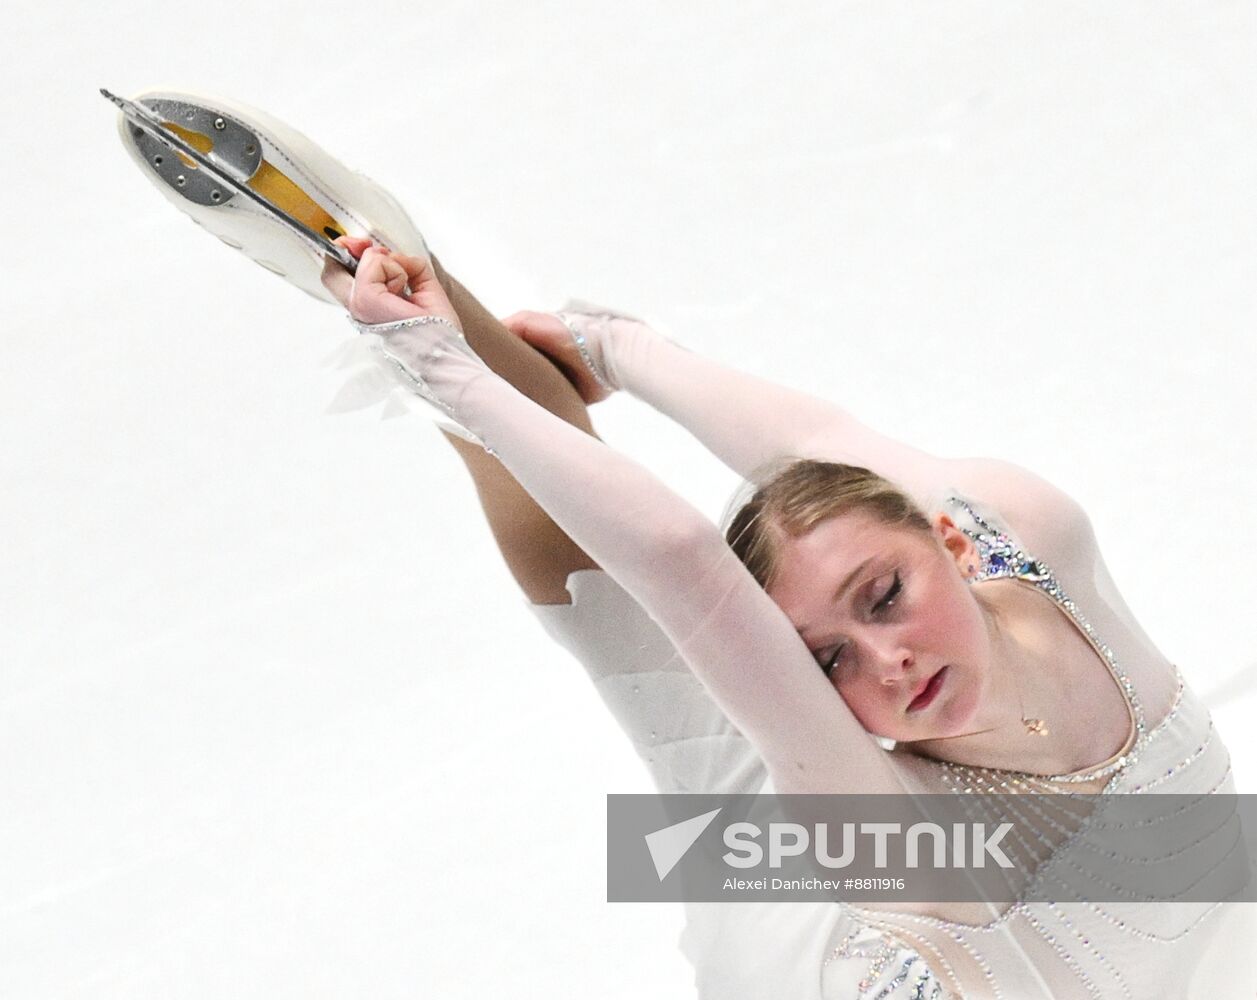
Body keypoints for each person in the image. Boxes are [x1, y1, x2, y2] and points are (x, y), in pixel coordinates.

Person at [113, 91, 1251, 998]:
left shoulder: (1026, 533)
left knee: (677, 647)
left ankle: (444, 358)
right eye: (828, 654)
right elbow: (682, 569)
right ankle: (426, 342)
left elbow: (820, 445)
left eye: (886, 593)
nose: (887, 661)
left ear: (949, 539)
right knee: (642, 629)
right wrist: (444, 364)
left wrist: (621, 349)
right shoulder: (878, 815)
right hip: (863, 832)